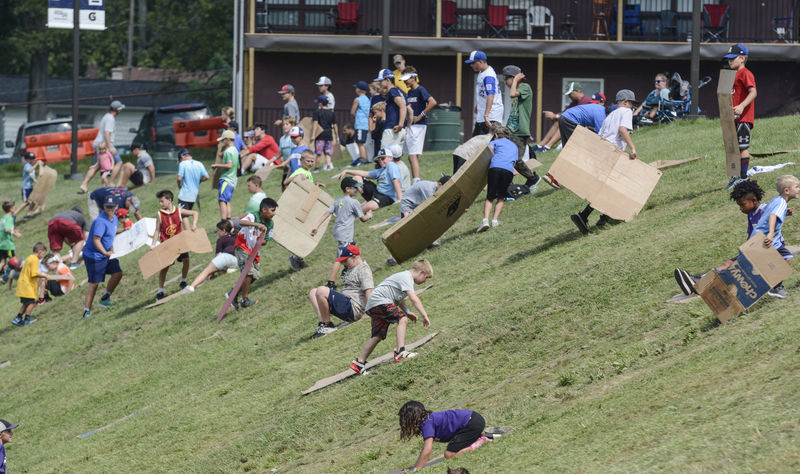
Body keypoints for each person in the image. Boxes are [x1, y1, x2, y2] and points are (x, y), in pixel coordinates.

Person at [674, 179, 766, 296]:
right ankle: (697, 283)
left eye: (743, 205)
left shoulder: (764, 210)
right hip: (753, 250)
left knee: (733, 266)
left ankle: (700, 284)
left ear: (754, 200)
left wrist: (786, 211)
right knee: (727, 263)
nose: (741, 209)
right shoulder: (751, 215)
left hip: (765, 252)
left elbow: (776, 212)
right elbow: (750, 234)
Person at [570, 89, 638, 235]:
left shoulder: (610, 115)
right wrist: (632, 148)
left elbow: (599, 134)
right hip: (613, 152)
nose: (632, 106)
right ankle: (594, 216)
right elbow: (623, 130)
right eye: (631, 103)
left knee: (607, 185)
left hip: (602, 150)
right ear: (625, 102)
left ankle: (596, 216)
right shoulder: (626, 112)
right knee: (613, 185)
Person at [349, 259, 433, 375]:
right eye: (426, 278)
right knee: (402, 319)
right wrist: (424, 315)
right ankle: (400, 352)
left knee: (378, 335)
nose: (425, 281)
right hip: (380, 301)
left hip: (374, 304)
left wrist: (407, 311)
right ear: (421, 272)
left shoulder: (404, 277)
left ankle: (359, 363)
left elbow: (398, 298)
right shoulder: (407, 277)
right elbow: (414, 298)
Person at [311, 177, 372, 288]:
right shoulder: (354, 202)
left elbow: (326, 213)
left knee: (351, 250)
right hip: (345, 233)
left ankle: (348, 270)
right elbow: (362, 219)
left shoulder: (338, 201)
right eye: (355, 188)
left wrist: (316, 226)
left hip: (338, 231)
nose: (357, 190)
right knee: (340, 257)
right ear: (347, 189)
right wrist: (369, 216)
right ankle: (331, 282)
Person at [399, 401, 491, 471]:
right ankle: (477, 438)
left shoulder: (426, 423)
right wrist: (415, 467)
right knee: (453, 450)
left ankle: (481, 441)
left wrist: (416, 470)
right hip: (474, 420)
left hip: (471, 423)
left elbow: (427, 450)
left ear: (412, 419)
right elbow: (425, 450)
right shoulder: (428, 419)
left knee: (449, 454)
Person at [308, 244, 374, 338]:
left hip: (354, 308)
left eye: (345, 260)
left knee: (321, 290)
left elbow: (368, 291)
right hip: (347, 306)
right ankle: (323, 324)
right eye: (342, 261)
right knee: (313, 292)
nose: (343, 263)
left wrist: (369, 312)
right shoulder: (351, 268)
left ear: (354, 257)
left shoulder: (363, 269)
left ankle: (327, 325)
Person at [750, 175, 799, 297]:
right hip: (766, 240)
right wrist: (771, 234)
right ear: (787, 191)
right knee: (787, 257)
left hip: (757, 237)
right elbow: (772, 215)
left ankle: (767, 287)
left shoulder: (777, 200)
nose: (799, 189)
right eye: (797, 187)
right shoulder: (782, 203)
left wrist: (785, 213)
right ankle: (776, 287)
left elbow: (766, 211)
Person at [227, 197, 278, 309]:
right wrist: (256, 225)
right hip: (242, 246)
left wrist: (260, 239)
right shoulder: (253, 215)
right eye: (272, 210)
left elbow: (266, 241)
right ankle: (245, 299)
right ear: (264, 210)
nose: (274, 213)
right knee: (248, 273)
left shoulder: (270, 224)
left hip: (254, 250)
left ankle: (232, 294)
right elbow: (241, 222)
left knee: (254, 276)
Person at [152, 189, 199, 300]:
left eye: (162, 201)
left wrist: (194, 224)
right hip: (167, 245)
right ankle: (160, 291)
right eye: (160, 201)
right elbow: (157, 230)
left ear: (169, 200)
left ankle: (183, 280)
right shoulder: (160, 214)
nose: (160, 204)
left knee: (186, 260)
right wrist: (153, 245)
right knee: (165, 268)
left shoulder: (178, 211)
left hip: (179, 243)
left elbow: (195, 213)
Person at [82, 195, 124, 319]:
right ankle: (86, 311)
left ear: (116, 206)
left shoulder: (115, 219)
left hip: (106, 253)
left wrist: (111, 248)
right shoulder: (100, 221)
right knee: (94, 283)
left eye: (112, 206)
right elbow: (96, 240)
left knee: (118, 273)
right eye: (107, 206)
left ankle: (105, 298)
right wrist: (105, 253)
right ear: (104, 207)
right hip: (94, 256)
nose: (110, 209)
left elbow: (110, 234)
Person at [724, 44, 757, 189]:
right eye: (728, 59)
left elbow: (753, 92)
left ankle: (743, 177)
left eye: (733, 58)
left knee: (742, 146)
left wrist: (742, 106)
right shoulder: (731, 75)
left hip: (743, 117)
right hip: (732, 118)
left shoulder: (745, 73)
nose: (730, 61)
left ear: (742, 58)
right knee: (732, 148)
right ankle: (734, 176)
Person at [503, 64, 541, 188]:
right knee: (508, 159)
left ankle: (533, 178)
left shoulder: (525, 87)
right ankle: (508, 185)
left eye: (506, 78)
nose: (505, 81)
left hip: (520, 131)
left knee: (516, 160)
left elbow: (512, 94)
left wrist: (515, 81)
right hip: (512, 130)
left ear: (514, 78)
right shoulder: (518, 90)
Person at [337, 148, 402, 214]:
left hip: (387, 197)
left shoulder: (391, 165)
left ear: (390, 158)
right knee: (357, 178)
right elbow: (365, 173)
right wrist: (347, 171)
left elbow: (396, 181)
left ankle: (351, 212)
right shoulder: (381, 170)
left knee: (369, 206)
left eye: (382, 158)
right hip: (377, 193)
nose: (380, 161)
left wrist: (399, 199)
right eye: (379, 159)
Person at [80, 100, 125, 193]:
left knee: (97, 166)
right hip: (103, 145)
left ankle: (84, 184)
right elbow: (107, 133)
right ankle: (111, 183)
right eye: (120, 109)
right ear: (117, 110)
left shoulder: (106, 116)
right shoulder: (110, 119)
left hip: (100, 144)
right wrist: (110, 147)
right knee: (119, 162)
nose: (121, 111)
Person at [477, 126, 517, 232]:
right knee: (501, 197)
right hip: (508, 171)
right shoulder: (514, 146)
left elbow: (488, 153)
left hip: (495, 168)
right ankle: (495, 221)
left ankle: (485, 221)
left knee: (490, 196)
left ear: (496, 135)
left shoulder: (494, 142)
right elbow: (515, 162)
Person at [533, 82, 591, 153]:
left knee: (564, 123)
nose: (569, 96)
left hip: (587, 128)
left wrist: (555, 116)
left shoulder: (586, 101)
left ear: (578, 91)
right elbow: (564, 113)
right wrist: (554, 116)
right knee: (559, 122)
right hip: (576, 125)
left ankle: (547, 147)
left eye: (570, 94)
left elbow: (573, 117)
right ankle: (541, 145)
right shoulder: (575, 102)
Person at [402, 66, 436, 181]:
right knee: (411, 155)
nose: (405, 81)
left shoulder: (421, 90)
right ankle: (415, 179)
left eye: (406, 78)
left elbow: (432, 102)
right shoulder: (409, 92)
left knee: (412, 155)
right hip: (411, 126)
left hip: (419, 126)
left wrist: (421, 115)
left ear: (413, 78)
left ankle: (416, 182)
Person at [183, 220, 237, 294]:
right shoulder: (235, 236)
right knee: (221, 267)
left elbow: (218, 256)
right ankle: (229, 269)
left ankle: (192, 287)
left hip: (225, 256)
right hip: (236, 260)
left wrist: (212, 273)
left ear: (224, 230)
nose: (217, 233)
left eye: (218, 230)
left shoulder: (220, 240)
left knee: (207, 271)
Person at [465, 50, 503, 136]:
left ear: (481, 62)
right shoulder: (482, 72)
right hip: (483, 115)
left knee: (489, 144)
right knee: (476, 143)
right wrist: (478, 106)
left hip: (491, 116)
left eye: (473, 63)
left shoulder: (488, 75)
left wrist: (486, 115)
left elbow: (491, 95)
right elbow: (483, 93)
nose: (471, 65)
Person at [11, 242, 48, 326]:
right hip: (27, 285)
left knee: (26, 303)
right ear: (39, 251)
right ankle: (27, 319)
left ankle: (18, 318)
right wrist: (44, 275)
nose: (42, 256)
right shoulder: (35, 259)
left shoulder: (29, 257)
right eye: (43, 254)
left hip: (23, 284)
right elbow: (34, 273)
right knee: (31, 302)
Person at [374, 68, 407, 149]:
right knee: (394, 158)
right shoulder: (393, 91)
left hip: (392, 128)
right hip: (394, 128)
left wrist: (400, 125)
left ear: (387, 79)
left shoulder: (392, 91)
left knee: (384, 156)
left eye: (381, 81)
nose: (380, 83)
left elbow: (403, 106)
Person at [212, 129, 239, 220]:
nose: (222, 142)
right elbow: (237, 166)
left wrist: (216, 165)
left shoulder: (228, 152)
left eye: (223, 140)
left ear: (227, 139)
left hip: (226, 179)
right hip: (232, 180)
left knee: (222, 201)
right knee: (227, 201)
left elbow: (229, 165)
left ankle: (223, 222)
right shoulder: (235, 150)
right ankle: (228, 220)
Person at [312, 95, 339, 171]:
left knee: (318, 153)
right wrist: (337, 137)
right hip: (329, 135)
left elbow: (315, 124)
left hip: (320, 135)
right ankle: (328, 166)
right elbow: (335, 125)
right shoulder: (331, 113)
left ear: (320, 103)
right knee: (328, 153)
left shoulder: (317, 112)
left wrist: (313, 135)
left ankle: (316, 168)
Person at [279, 126, 310, 191]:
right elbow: (291, 166)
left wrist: (306, 177)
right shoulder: (293, 150)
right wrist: (287, 178)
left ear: (301, 136)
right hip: (292, 178)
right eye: (291, 137)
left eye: (294, 137)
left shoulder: (305, 149)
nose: (292, 139)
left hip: (301, 178)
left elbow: (309, 166)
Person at [15, 152, 43, 219]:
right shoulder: (27, 166)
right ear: (26, 160)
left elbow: (31, 176)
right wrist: (37, 164)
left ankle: (28, 215)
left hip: (30, 187)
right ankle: (14, 214)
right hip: (26, 187)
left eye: (33, 159)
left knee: (33, 201)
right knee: (27, 202)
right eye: (30, 159)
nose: (32, 160)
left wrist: (36, 181)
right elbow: (30, 171)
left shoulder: (31, 166)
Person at [350, 81, 371, 164]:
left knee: (359, 142)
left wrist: (355, 118)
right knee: (362, 142)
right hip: (366, 124)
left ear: (358, 90)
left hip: (360, 124)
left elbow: (352, 112)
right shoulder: (368, 100)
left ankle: (363, 159)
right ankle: (363, 158)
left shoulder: (357, 100)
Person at [0, 201, 21, 278]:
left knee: (2, 262)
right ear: (11, 209)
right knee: (14, 261)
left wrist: (14, 231)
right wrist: (16, 234)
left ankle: (5, 277)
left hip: (1, 243)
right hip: (7, 244)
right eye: (14, 207)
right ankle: (19, 276)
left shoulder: (3, 218)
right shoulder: (9, 218)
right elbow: (7, 230)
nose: (15, 208)